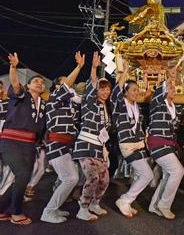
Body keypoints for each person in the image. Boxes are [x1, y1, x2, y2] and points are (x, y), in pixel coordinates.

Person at [0, 53, 46, 225]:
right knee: (23, 174)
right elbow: (14, 83)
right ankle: (16, 213)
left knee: (22, 178)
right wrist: (13, 67)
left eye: (41, 82)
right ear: (28, 85)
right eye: (36, 81)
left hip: (29, 145)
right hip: (11, 141)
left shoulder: (44, 104)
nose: (40, 83)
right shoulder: (21, 96)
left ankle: (1, 208)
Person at [40, 52, 85, 223]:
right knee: (70, 178)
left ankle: (54, 209)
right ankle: (48, 212)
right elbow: (67, 86)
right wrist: (79, 67)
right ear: (58, 87)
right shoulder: (53, 100)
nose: (70, 86)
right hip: (57, 144)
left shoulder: (69, 104)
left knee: (71, 177)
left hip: (67, 145)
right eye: (66, 83)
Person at [73, 52, 112, 221]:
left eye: (107, 89)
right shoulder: (90, 101)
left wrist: (104, 150)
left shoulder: (106, 108)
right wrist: (94, 68)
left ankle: (95, 204)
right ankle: (83, 208)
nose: (105, 91)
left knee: (104, 180)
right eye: (101, 89)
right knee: (93, 177)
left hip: (98, 147)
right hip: (85, 145)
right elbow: (92, 85)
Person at [112, 61, 154, 218]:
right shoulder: (120, 105)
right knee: (147, 175)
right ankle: (124, 200)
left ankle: (127, 201)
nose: (137, 93)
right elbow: (116, 91)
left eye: (138, 90)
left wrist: (145, 79)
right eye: (134, 90)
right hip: (128, 145)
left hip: (139, 144)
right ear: (125, 92)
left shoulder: (137, 107)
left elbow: (147, 94)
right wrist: (126, 72)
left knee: (141, 175)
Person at [147, 67, 184, 220]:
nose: (173, 88)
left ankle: (154, 204)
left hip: (168, 144)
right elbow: (161, 91)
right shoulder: (157, 103)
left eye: (173, 87)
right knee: (178, 171)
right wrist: (169, 78)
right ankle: (164, 205)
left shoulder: (175, 108)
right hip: (157, 142)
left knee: (168, 175)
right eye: (170, 87)